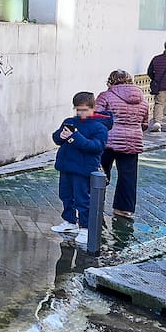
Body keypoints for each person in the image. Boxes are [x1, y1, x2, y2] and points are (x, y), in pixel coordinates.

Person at [50, 92, 113, 244]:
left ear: (92, 108)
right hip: (66, 166)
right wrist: (61, 135)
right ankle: (70, 222)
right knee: (65, 195)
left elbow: (96, 147)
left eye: (84, 110)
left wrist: (74, 137)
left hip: (84, 168)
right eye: (77, 110)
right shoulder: (70, 121)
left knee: (82, 199)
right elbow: (57, 139)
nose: (80, 113)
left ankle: (85, 228)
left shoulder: (100, 127)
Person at [96, 70, 150, 218]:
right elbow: (145, 124)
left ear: (111, 81)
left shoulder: (105, 96)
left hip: (107, 141)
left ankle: (95, 202)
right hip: (133, 142)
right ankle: (124, 209)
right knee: (128, 176)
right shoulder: (142, 100)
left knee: (100, 173)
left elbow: (96, 118)